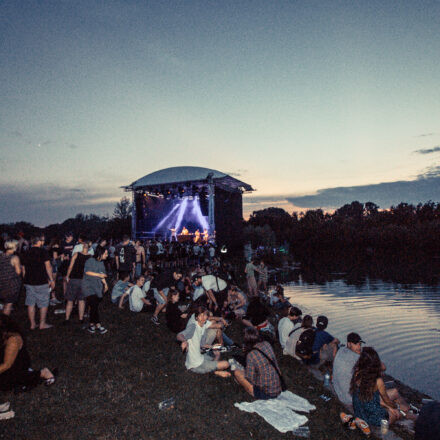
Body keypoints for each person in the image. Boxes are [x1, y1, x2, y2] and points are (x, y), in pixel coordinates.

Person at [350, 347, 414, 430]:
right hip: (373, 418)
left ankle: (407, 408)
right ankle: (409, 414)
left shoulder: (357, 372)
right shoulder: (377, 381)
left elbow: (371, 400)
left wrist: (389, 407)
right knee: (398, 413)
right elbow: (387, 400)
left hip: (361, 410)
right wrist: (394, 408)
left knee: (394, 392)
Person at [0, 315, 56, 393]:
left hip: (15, 365)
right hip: (4, 360)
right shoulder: (3, 336)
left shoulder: (13, 339)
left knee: (4, 384)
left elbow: (7, 365)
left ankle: (41, 373)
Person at [177, 306, 230, 376]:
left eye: (204, 315)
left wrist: (212, 347)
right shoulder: (193, 327)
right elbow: (179, 335)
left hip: (199, 357)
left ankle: (212, 369)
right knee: (226, 364)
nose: (202, 317)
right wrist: (184, 341)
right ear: (196, 317)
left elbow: (201, 345)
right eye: (200, 315)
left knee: (216, 354)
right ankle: (215, 372)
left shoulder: (204, 324)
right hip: (196, 364)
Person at [232, 327, 282, 399]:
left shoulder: (251, 355)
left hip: (265, 393)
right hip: (277, 388)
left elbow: (250, 378)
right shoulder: (267, 344)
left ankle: (251, 391)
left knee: (237, 372)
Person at [22, 236, 54, 330]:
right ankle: (42, 324)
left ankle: (32, 324)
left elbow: (23, 268)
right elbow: (48, 267)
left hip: (29, 281)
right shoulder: (43, 252)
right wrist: (51, 280)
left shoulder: (26, 252)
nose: (43, 242)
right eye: (42, 240)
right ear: (39, 242)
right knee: (43, 303)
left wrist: (25, 279)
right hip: (41, 281)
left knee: (31, 303)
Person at [332, 332, 364, 409]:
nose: (359, 347)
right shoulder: (356, 357)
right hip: (349, 399)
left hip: (339, 392)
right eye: (356, 344)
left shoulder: (341, 350)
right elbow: (382, 367)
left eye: (360, 344)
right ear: (349, 344)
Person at [82, 247, 108, 334]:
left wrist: (105, 284)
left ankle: (91, 325)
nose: (107, 255)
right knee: (93, 305)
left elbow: (102, 274)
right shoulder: (90, 261)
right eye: (106, 253)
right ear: (100, 253)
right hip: (88, 286)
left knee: (94, 306)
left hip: (97, 287)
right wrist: (98, 275)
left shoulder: (101, 263)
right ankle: (98, 325)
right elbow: (87, 272)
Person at [64, 241, 91, 324]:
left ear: (83, 246)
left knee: (70, 300)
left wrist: (67, 276)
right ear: (89, 248)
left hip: (74, 279)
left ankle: (67, 319)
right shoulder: (91, 257)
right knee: (82, 300)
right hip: (84, 281)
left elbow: (70, 266)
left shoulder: (76, 254)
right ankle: (81, 319)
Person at [0, 240, 22, 315]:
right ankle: (4, 324)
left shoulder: (1, 255)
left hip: (1, 283)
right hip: (11, 285)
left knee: (4, 303)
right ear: (14, 247)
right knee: (8, 305)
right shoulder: (15, 257)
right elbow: (18, 272)